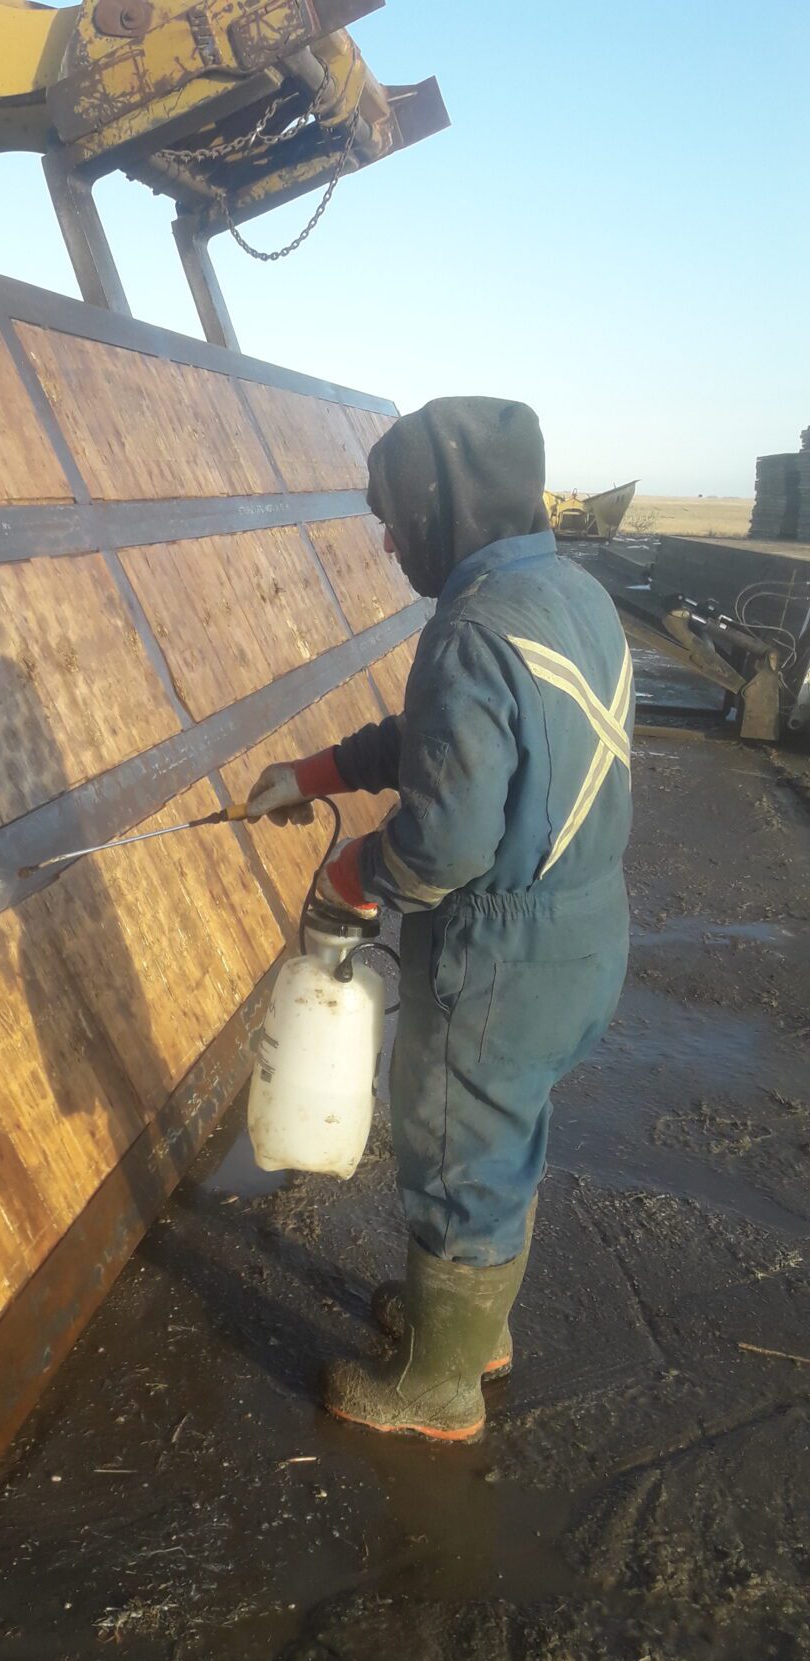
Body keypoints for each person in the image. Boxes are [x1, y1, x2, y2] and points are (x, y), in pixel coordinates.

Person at [247, 397, 633, 1442]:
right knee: (504, 1139)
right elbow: (446, 741)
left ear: (441, 511)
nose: (388, 543)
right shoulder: (564, 593)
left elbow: (448, 841)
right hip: (581, 932)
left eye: (395, 520)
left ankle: (436, 1389)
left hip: (498, 956)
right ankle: (468, 1331)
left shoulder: (470, 631)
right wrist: (318, 772)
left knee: (457, 1151)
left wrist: (352, 876)